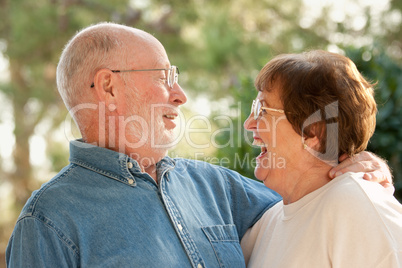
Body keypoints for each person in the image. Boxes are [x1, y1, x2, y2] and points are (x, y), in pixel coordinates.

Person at [5, 23, 392, 267]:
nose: (181, 95)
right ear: (108, 86)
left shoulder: (215, 186)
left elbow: (309, 196)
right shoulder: (48, 223)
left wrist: (356, 159)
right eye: (165, 76)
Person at [241, 50, 402, 267]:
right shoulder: (264, 226)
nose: (248, 123)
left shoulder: (357, 206)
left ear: (313, 130)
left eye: (262, 109)